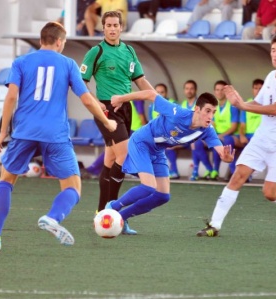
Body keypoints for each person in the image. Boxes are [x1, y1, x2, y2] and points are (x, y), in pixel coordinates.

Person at [0, 21, 117, 251]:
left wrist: (2, 132)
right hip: (55, 134)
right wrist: (107, 121)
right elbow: (87, 98)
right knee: (73, 187)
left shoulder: (21, 62)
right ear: (59, 41)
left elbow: (10, 98)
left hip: (23, 132)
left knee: (6, 181)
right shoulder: (68, 64)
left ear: (42, 40)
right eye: (64, 42)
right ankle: (53, 217)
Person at [196, 33, 276, 237]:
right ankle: (215, 225)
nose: (275, 54)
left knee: (270, 193)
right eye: (273, 50)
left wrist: (242, 105)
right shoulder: (271, 76)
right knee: (238, 176)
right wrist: (240, 104)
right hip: (262, 138)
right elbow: (259, 103)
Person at [107, 90, 234, 234]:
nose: (211, 116)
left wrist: (225, 157)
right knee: (148, 187)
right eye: (208, 111)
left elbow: (220, 149)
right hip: (141, 142)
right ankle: (112, 207)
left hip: (158, 150)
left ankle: (121, 218)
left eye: (214, 112)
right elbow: (151, 94)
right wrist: (121, 98)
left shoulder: (207, 130)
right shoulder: (177, 113)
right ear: (197, 109)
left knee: (163, 196)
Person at [80, 11, 154, 225]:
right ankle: (114, 213)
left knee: (111, 159)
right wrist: (97, 103)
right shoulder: (96, 51)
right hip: (107, 111)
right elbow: (80, 82)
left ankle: (101, 212)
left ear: (121, 27)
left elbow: (140, 80)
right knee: (124, 155)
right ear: (103, 28)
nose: (112, 28)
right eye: (108, 25)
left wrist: (157, 98)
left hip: (126, 109)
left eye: (116, 25)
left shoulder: (130, 51)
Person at [147, 83, 181, 179]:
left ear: (166, 93)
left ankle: (174, 171)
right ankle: (151, 171)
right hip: (159, 135)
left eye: (162, 92)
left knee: (167, 145)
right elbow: (151, 123)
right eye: (158, 92)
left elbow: (177, 122)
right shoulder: (151, 106)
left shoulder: (173, 104)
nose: (160, 95)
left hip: (174, 134)